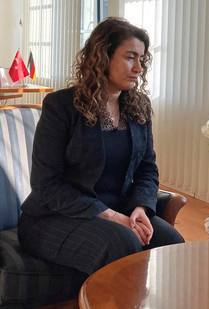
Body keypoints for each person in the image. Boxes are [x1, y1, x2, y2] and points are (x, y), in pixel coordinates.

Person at [18, 17, 184, 275]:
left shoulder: (139, 108)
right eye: (130, 57)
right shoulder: (61, 107)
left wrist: (140, 208)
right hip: (54, 218)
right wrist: (110, 216)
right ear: (103, 57)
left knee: (172, 243)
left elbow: (147, 170)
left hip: (121, 211)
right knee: (124, 242)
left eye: (142, 59)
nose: (138, 68)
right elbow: (45, 185)